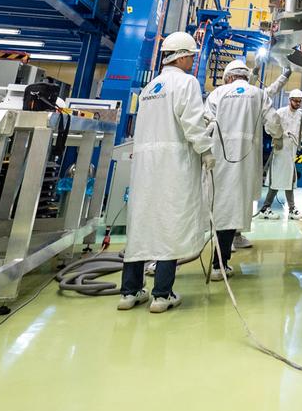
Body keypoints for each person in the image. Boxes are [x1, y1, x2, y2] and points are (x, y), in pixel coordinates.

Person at [118, 31, 214, 314]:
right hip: (174, 165)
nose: (192, 63)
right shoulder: (186, 83)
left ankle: (130, 291)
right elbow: (193, 123)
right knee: (169, 224)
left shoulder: (150, 88)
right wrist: (206, 150)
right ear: (183, 57)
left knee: (142, 224)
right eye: (191, 58)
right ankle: (162, 294)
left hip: (146, 167)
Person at [204, 58, 289, 278]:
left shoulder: (217, 94)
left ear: (228, 77)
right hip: (246, 161)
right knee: (235, 206)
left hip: (218, 159)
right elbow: (273, 121)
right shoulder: (258, 94)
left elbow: (205, 124)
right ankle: (220, 263)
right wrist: (277, 137)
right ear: (244, 75)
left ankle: (216, 262)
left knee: (218, 205)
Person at [259, 89, 302, 220]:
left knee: (289, 179)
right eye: (295, 101)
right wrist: (278, 137)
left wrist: (299, 137)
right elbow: (269, 127)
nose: (297, 103)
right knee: (277, 180)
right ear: (290, 100)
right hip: (280, 151)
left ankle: (291, 209)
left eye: (299, 101)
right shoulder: (280, 113)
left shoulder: (300, 115)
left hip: (291, 151)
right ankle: (265, 208)